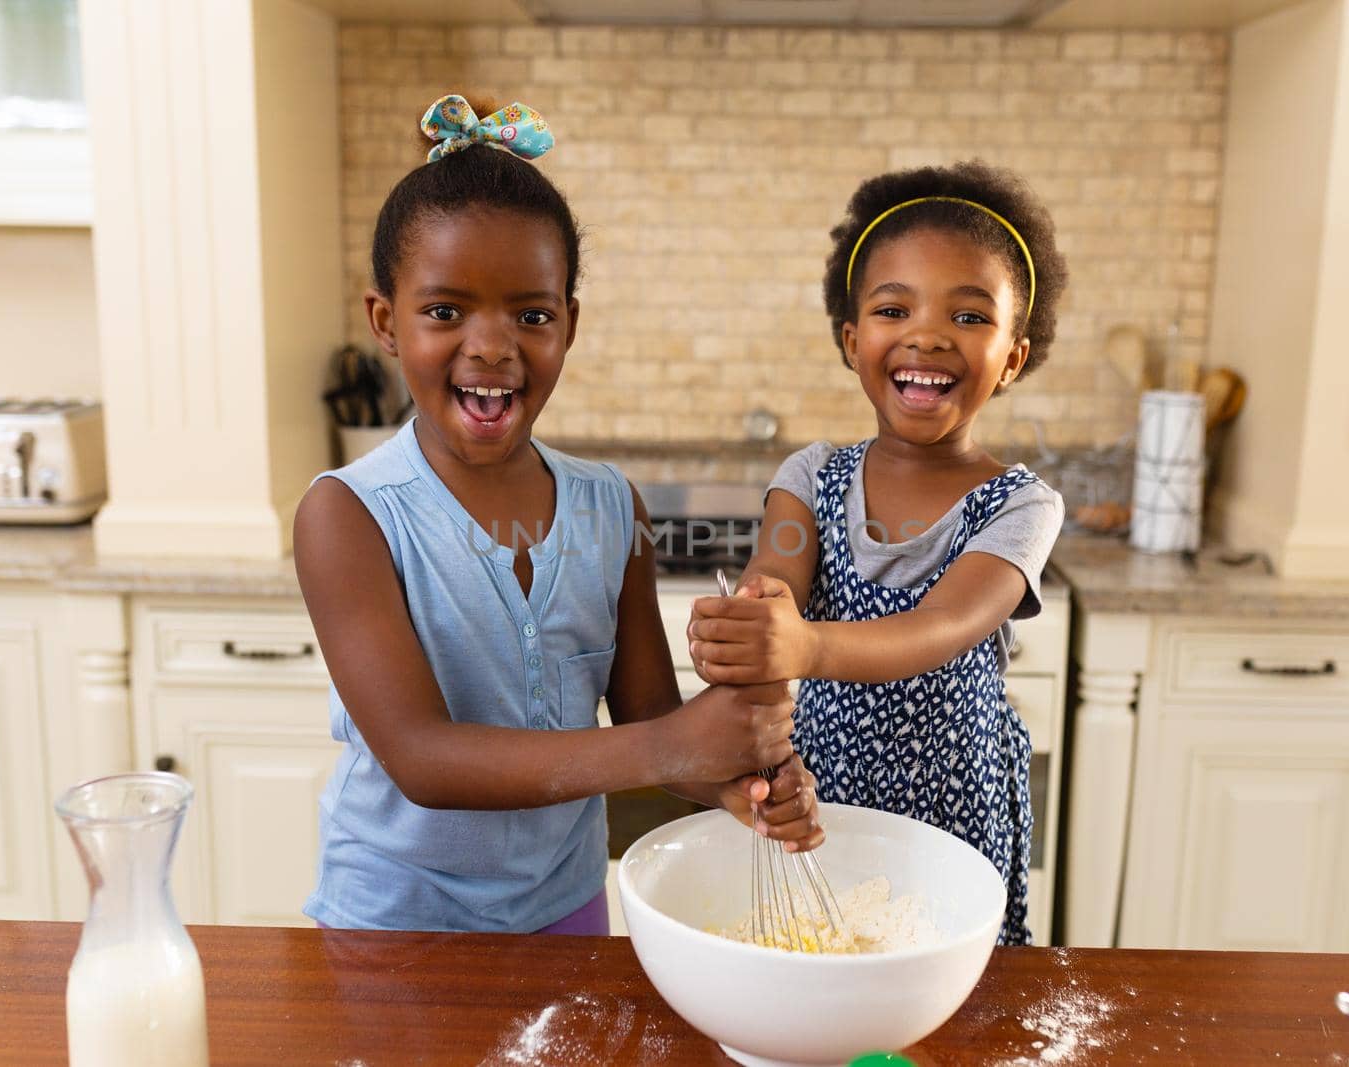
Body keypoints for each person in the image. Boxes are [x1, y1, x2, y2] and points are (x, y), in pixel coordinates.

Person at [295, 93, 819, 935]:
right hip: (394, 922)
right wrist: (671, 745)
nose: (493, 344)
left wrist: (731, 777)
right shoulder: (348, 514)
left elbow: (648, 722)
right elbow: (423, 757)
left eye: (532, 314)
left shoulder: (612, 507)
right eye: (445, 311)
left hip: (567, 912)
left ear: (569, 326)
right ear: (385, 322)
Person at [687, 160, 1069, 945]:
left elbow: (945, 623)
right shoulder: (809, 479)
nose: (927, 334)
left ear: (1014, 357)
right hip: (820, 798)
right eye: (896, 308)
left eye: (969, 317)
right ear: (853, 339)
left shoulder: (1022, 506)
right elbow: (777, 573)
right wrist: (751, 624)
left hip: (956, 809)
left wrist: (805, 643)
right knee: (823, 961)